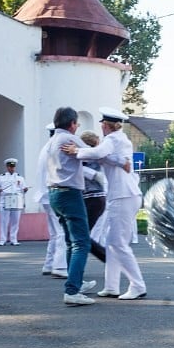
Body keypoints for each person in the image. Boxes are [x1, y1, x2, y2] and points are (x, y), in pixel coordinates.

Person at [63, 107, 146, 300]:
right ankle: (111, 286)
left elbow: (98, 152)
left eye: (102, 123)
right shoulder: (120, 139)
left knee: (118, 244)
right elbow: (105, 156)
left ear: (106, 125)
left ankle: (138, 285)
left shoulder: (113, 139)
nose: (100, 126)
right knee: (111, 243)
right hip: (123, 195)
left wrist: (76, 151)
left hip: (123, 195)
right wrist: (116, 160)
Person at [45, 107, 97, 306]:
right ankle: (72, 290)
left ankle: (75, 282)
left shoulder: (51, 141)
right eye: (77, 123)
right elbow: (93, 154)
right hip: (70, 194)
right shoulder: (70, 139)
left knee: (70, 241)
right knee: (82, 243)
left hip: (55, 194)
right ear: (72, 123)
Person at [35, 123, 69, 278]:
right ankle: (60, 266)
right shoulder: (54, 148)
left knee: (55, 232)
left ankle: (49, 264)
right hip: (53, 193)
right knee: (62, 231)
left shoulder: (45, 148)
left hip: (44, 195)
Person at [79, 131, 109, 263]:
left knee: (82, 235)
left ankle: (109, 258)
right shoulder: (90, 154)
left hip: (94, 198)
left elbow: (82, 170)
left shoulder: (89, 155)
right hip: (93, 198)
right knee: (83, 234)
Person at [0, 158, 28, 245]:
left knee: (15, 221)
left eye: (13, 166)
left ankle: (13, 239)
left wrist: (25, 189)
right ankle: (2, 240)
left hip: (16, 201)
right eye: (10, 166)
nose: (12, 168)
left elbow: (23, 188)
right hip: (5, 201)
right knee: (4, 221)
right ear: (7, 167)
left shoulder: (20, 177)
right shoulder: (1, 177)